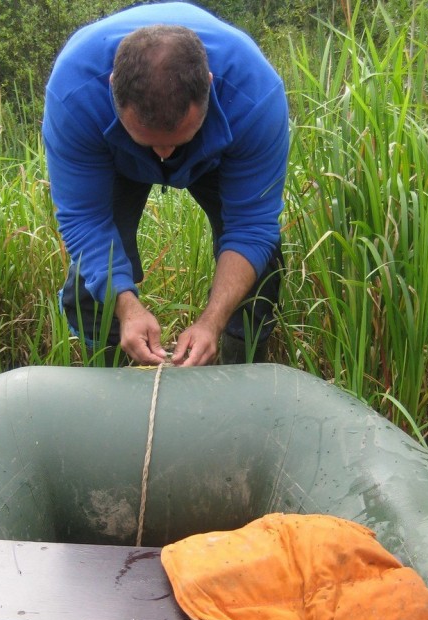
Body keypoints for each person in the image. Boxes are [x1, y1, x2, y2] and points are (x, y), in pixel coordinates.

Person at [43, 2, 289, 366]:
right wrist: (127, 308)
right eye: (149, 140)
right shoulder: (74, 92)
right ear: (113, 88)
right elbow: (85, 222)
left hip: (218, 151)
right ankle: (109, 388)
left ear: (208, 84)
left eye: (178, 138)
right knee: (90, 287)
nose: (164, 152)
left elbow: (252, 226)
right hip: (114, 154)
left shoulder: (254, 95)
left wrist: (211, 321)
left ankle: (241, 375)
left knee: (261, 268)